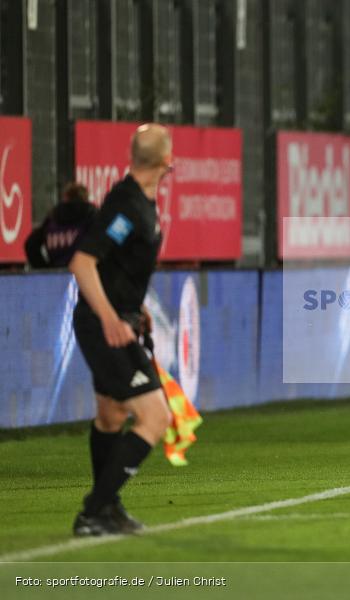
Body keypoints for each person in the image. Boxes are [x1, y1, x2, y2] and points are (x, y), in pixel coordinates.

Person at [68, 123, 174, 536]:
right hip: (104, 326)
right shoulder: (125, 205)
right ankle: (92, 512)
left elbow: (116, 266)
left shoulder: (139, 202)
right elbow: (82, 262)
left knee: (111, 416)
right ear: (168, 161)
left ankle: (108, 510)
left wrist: (134, 308)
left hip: (119, 320)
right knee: (155, 417)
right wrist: (112, 318)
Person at [24, 182, 97, 268]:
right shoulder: (91, 216)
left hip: (58, 275)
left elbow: (31, 244)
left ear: (66, 197)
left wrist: (45, 269)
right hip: (85, 274)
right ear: (86, 198)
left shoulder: (52, 219)